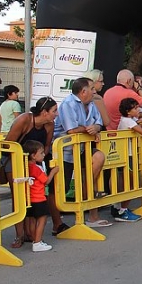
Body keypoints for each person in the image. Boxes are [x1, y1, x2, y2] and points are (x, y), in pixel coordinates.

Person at [2, 96, 63, 244]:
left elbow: (47, 146)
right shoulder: (24, 120)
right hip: (15, 160)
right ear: (44, 112)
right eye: (54, 111)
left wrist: (39, 164)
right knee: (19, 198)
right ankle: (19, 235)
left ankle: (30, 233)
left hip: (34, 164)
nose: (56, 114)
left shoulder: (49, 125)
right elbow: (7, 145)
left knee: (34, 197)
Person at [53, 77, 109, 228]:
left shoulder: (91, 104)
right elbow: (71, 130)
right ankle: (57, 224)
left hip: (82, 147)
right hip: (64, 151)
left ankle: (91, 211)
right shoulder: (68, 104)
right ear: (83, 91)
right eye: (91, 88)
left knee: (98, 158)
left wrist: (96, 128)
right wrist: (87, 129)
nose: (94, 91)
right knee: (60, 188)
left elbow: (100, 122)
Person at [114, 97, 142, 222]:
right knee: (131, 183)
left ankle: (118, 207)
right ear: (128, 111)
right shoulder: (129, 122)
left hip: (125, 154)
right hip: (128, 154)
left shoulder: (126, 120)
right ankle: (123, 210)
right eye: (135, 108)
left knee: (124, 182)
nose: (138, 110)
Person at [24, 140, 58, 252]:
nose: (44, 155)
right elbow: (46, 181)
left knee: (32, 220)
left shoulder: (26, 167)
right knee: (42, 220)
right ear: (33, 156)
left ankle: (35, 240)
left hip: (29, 198)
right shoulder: (36, 168)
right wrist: (53, 172)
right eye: (42, 153)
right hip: (39, 198)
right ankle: (37, 242)